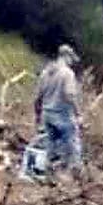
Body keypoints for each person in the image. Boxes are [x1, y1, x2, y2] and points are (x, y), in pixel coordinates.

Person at [31, 45, 84, 182]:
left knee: (49, 146)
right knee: (72, 144)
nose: (72, 62)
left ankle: (44, 175)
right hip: (63, 115)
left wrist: (37, 116)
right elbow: (69, 95)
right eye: (71, 59)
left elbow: (37, 97)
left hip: (47, 114)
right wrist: (78, 114)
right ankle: (76, 177)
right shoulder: (67, 73)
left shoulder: (46, 73)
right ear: (66, 57)